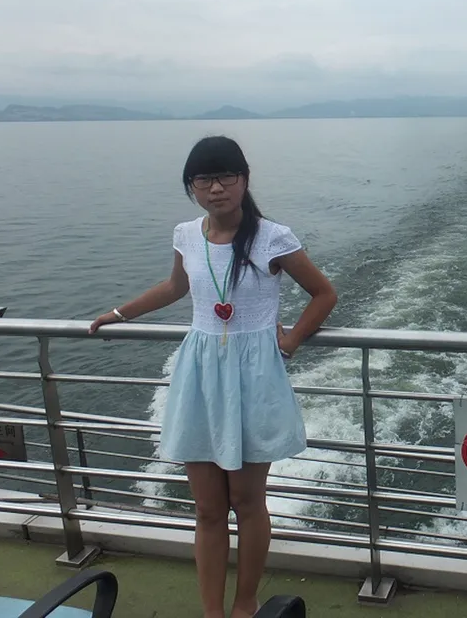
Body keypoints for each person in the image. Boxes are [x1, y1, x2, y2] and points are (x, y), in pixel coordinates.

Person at [89, 135, 337, 618]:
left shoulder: (273, 237)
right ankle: (212, 612)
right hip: (201, 373)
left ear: (244, 180)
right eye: (203, 179)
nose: (216, 188)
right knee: (206, 508)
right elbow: (175, 286)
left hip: (253, 376)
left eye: (226, 176)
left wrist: (290, 341)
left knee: (247, 500)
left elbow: (324, 294)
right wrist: (119, 313)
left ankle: (245, 602)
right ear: (192, 187)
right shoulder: (186, 234)